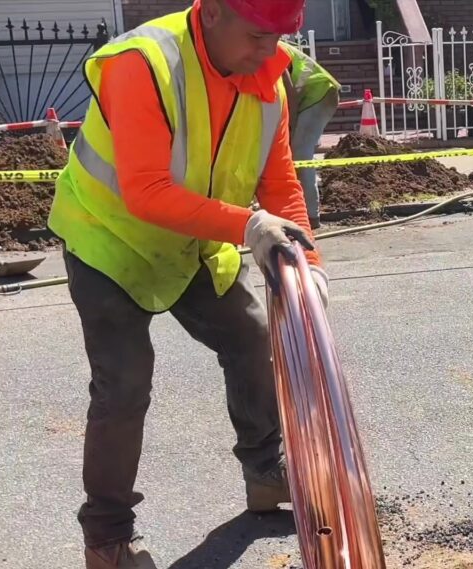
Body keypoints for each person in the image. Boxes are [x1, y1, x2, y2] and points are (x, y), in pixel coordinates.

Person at [46, 1, 329, 567]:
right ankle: (107, 541)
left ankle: (264, 474)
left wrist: (308, 265)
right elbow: (146, 191)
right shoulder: (144, 63)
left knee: (251, 338)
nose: (270, 54)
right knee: (123, 384)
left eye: (280, 38)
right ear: (216, 12)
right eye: (257, 36)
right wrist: (246, 225)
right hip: (110, 240)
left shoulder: (267, 75)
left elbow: (279, 183)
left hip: (194, 241)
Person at [280, 40, 341, 227]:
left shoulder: (267, 48)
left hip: (319, 93)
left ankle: (311, 217)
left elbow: (289, 94)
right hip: (313, 94)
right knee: (296, 154)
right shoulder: (258, 43)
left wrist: (289, 127)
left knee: (300, 153)